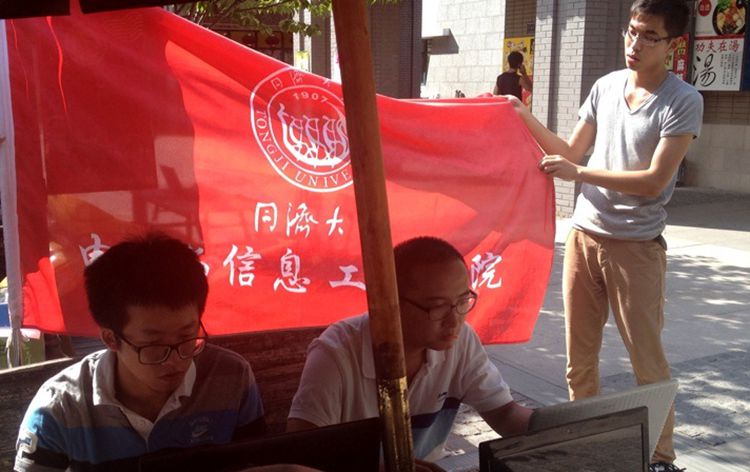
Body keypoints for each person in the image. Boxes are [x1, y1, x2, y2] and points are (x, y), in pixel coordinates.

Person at [508, 1, 702, 471]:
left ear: (672, 44)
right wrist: (518, 113)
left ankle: (661, 457)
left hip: (636, 246)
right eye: (632, 31)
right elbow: (570, 150)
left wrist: (579, 173)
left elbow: (654, 181)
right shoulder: (606, 86)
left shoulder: (683, 100)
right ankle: (587, 448)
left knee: (647, 363)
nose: (635, 43)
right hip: (583, 237)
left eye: (649, 36)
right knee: (579, 361)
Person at [14, 233, 266, 471]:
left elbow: (258, 464)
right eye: (154, 346)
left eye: (186, 337)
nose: (175, 360)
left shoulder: (231, 378)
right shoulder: (60, 408)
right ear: (110, 339)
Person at [287, 236, 533, 471]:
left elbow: (505, 413)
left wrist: (552, 426)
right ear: (391, 301)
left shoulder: (461, 341)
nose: (454, 321)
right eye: (437, 307)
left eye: (462, 301)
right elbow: (301, 455)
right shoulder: (335, 355)